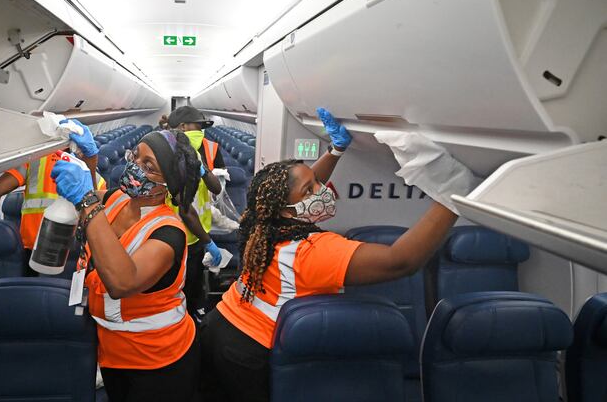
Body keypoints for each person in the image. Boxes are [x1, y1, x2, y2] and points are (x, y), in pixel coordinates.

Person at [200, 108, 472, 402]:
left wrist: (336, 150)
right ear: (286, 209)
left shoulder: (260, 221)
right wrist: (452, 198)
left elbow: (296, 188)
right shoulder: (310, 251)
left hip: (222, 324)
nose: (322, 190)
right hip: (248, 349)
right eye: (311, 190)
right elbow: (400, 261)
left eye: (316, 183)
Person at [51, 121, 202, 402]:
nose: (134, 167)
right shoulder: (120, 199)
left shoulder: (168, 233)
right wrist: (90, 159)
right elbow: (88, 198)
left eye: (149, 167)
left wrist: (85, 200)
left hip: (157, 359)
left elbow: (122, 281)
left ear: (167, 184)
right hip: (112, 349)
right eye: (136, 156)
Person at [0, 144, 106, 272]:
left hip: (32, 248)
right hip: (74, 252)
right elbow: (100, 223)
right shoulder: (99, 182)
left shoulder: (35, 160)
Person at [167, 105, 226, 321]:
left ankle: (193, 317)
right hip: (173, 232)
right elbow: (184, 208)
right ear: (182, 127)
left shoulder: (207, 148)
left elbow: (216, 189)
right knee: (175, 285)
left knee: (192, 281)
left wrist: (201, 168)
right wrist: (208, 240)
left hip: (196, 234)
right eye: (197, 127)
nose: (201, 132)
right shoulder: (166, 152)